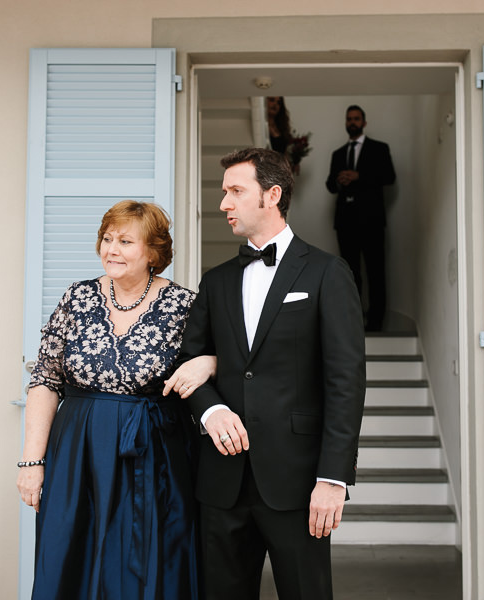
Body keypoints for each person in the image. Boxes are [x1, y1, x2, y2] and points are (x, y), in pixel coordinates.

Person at [177, 147, 366, 599]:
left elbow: (346, 382)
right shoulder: (216, 280)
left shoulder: (327, 273)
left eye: (236, 192)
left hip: (298, 483)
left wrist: (332, 478)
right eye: (224, 193)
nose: (224, 203)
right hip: (221, 485)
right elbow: (188, 363)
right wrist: (210, 411)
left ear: (272, 195)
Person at [16, 200, 215, 600]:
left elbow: (218, 355)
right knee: (71, 555)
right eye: (107, 239)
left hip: (154, 455)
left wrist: (211, 361)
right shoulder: (77, 298)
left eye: (126, 241)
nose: (112, 249)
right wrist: (32, 462)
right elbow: (46, 379)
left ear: (153, 252)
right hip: (77, 453)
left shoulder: (183, 305)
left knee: (145, 563)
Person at [325, 104, 396, 331]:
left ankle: (376, 322)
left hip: (372, 220)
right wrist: (339, 180)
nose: (352, 122)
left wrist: (359, 176)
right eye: (349, 119)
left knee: (376, 271)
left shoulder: (379, 149)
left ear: (364, 122)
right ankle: (353, 321)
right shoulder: (338, 154)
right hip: (345, 222)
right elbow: (330, 186)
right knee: (350, 274)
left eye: (356, 119)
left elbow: (389, 177)